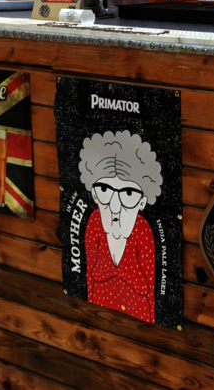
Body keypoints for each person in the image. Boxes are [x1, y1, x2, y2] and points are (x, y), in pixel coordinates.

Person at [79, 130, 163, 324]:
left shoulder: (143, 231)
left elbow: (151, 294)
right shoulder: (94, 223)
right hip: (98, 320)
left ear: (142, 202)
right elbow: (88, 285)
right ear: (94, 195)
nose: (115, 206)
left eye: (128, 193)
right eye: (104, 190)